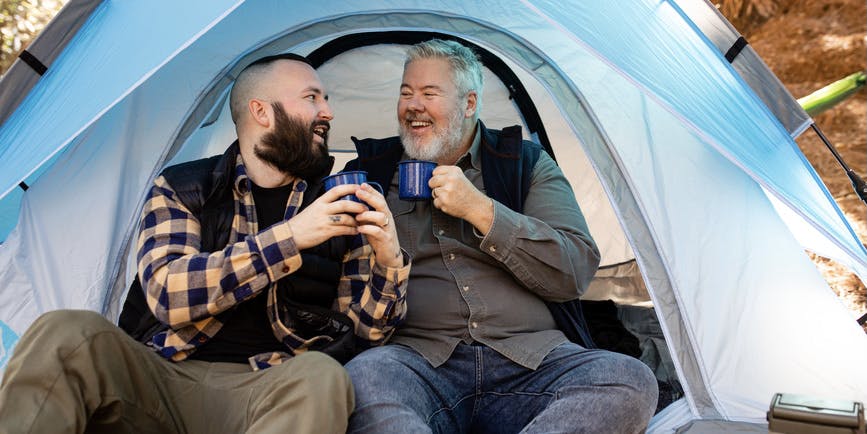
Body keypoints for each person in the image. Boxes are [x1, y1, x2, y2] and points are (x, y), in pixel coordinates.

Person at [0, 53, 410, 434]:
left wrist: (389, 261)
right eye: (312, 97)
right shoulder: (184, 187)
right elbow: (167, 293)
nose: (328, 112)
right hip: (164, 376)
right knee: (67, 332)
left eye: (326, 99)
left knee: (324, 375)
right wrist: (291, 238)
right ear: (261, 111)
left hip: (272, 386)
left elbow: (362, 336)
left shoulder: (337, 205)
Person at [343, 39, 658, 433]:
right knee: (363, 379)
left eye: (429, 93)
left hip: (531, 362)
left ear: (469, 104)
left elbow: (574, 270)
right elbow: (345, 291)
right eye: (406, 93)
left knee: (628, 380)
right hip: (419, 362)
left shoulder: (524, 164)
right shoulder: (371, 171)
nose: (413, 105)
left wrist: (481, 210)